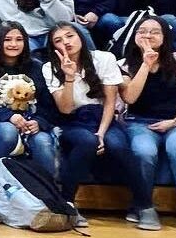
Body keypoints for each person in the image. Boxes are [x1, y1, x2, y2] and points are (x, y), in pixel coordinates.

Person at [119, 16, 176, 233]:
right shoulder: (123, 64)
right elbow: (130, 98)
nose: (148, 35)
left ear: (165, 36)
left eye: (154, 31)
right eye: (142, 31)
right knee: (144, 151)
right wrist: (145, 64)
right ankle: (143, 207)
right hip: (139, 122)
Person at [44, 23, 138, 225]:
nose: (66, 42)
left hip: (103, 118)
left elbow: (110, 102)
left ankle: (142, 203)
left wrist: (101, 134)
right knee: (87, 142)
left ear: (80, 36)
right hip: (73, 121)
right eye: (58, 41)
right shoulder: (49, 67)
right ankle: (67, 202)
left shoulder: (104, 58)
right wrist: (69, 77)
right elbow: (66, 109)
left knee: (119, 145)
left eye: (69, 36)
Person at [0, 22, 58, 174]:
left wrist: (39, 122)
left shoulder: (37, 68)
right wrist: (9, 116)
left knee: (43, 142)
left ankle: (49, 193)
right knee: (7, 132)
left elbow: (48, 104)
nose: (14, 44)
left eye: (19, 39)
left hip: (30, 122)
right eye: (7, 39)